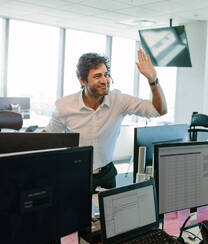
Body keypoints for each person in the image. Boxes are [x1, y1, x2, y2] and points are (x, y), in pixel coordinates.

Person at [46, 50, 167, 192]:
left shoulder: (119, 101)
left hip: (107, 175)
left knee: (108, 215)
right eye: (97, 76)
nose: (104, 80)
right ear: (83, 80)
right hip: (74, 174)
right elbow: (48, 139)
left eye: (106, 74)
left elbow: (159, 110)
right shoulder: (64, 106)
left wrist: (153, 80)